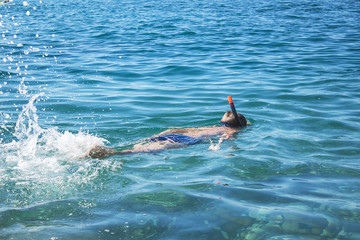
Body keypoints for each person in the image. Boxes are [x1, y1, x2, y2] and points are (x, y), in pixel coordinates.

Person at [88, 97, 249, 158]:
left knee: (144, 142)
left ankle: (108, 148)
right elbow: (224, 139)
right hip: (189, 140)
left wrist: (170, 131)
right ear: (238, 126)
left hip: (177, 134)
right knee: (149, 150)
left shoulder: (212, 126)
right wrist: (220, 147)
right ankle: (111, 153)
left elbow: (183, 129)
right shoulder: (229, 131)